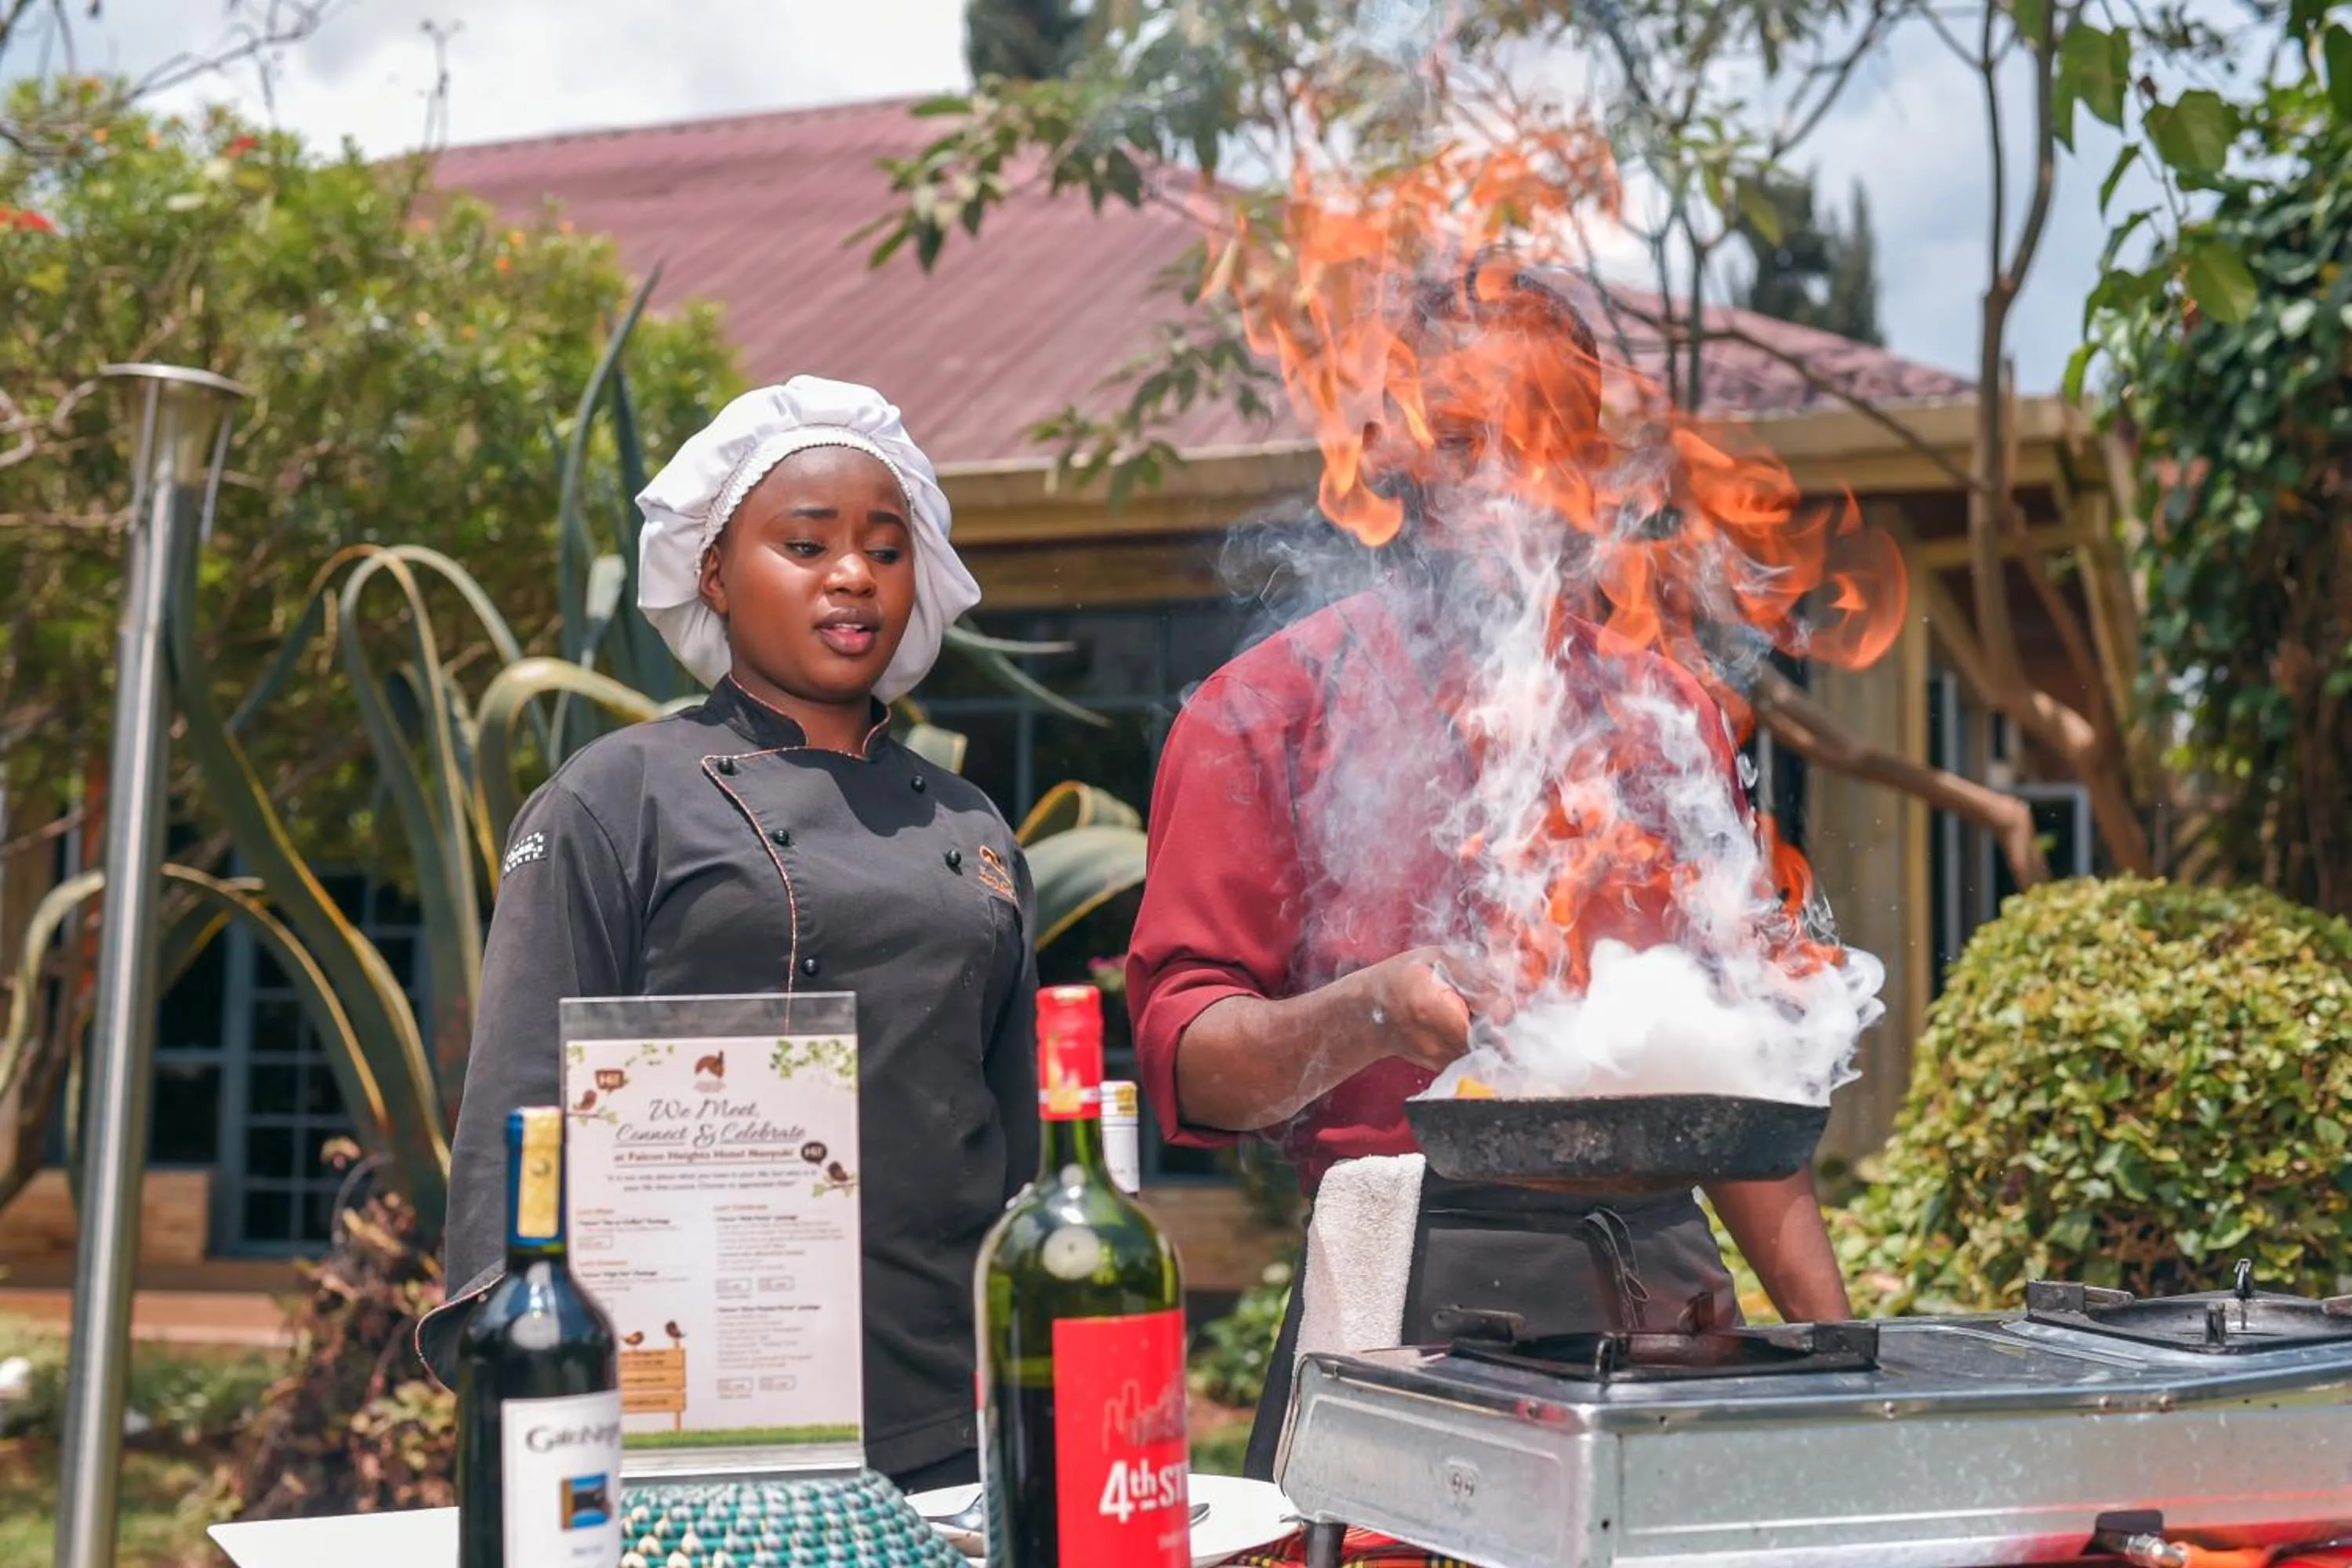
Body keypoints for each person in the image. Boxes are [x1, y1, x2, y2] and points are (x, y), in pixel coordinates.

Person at [1123, 263, 1853, 1482]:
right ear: (1396, 452)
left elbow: (1737, 1087)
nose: (1511, 479)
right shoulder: (1264, 713)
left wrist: (1839, 1361)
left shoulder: (1668, 711)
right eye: (1468, 438)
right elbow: (1197, 1064)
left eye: (1547, 439)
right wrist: (1372, 1011)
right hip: (1412, 1288)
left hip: (1670, 1303)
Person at [418, 376, 1040, 1492]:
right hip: (692, 1411)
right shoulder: (616, 798)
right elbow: (521, 1107)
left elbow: (1014, 1141)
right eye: (806, 544)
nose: (853, 576)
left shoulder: (970, 824)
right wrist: (520, 1376)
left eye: (885, 551)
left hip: (945, 1408)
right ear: (714, 569)